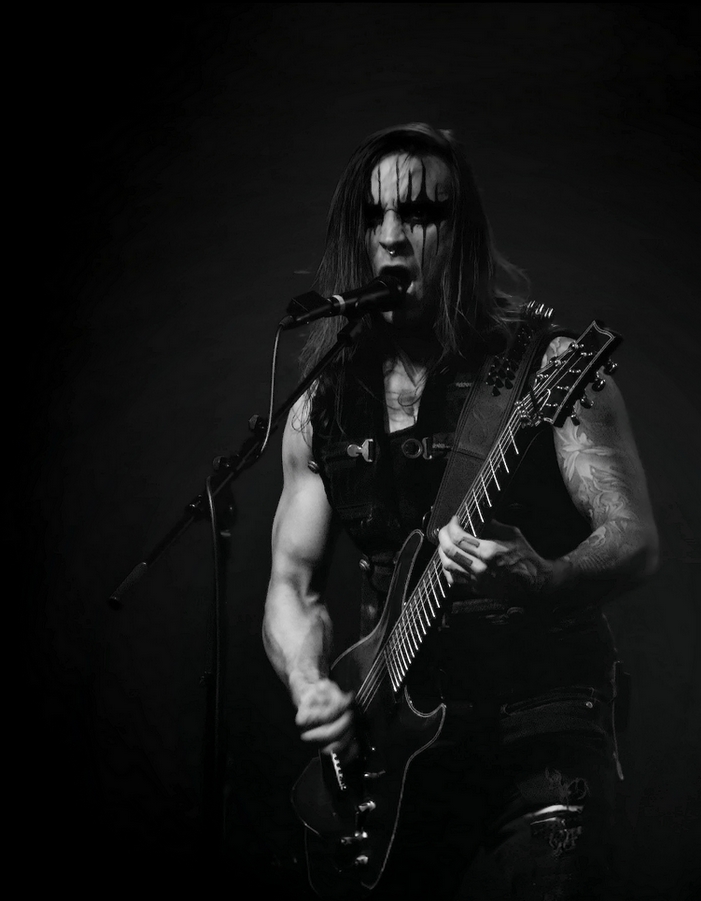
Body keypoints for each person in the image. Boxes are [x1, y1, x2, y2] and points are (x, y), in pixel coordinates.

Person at [263, 123, 658, 900]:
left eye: (420, 214)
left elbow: (633, 537)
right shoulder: (321, 408)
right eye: (372, 218)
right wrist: (311, 680)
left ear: (462, 234)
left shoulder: (546, 366)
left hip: (539, 736)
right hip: (401, 768)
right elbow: (292, 584)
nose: (392, 237)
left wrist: (545, 577)